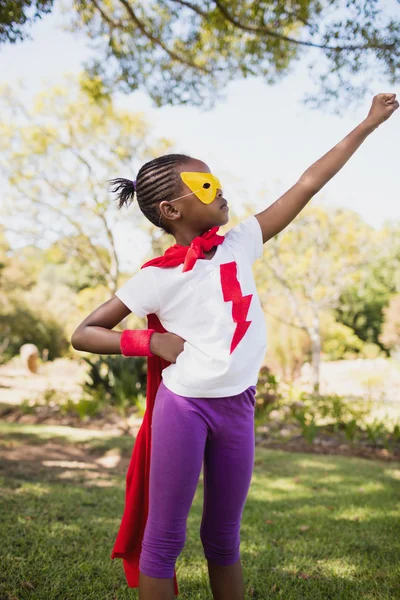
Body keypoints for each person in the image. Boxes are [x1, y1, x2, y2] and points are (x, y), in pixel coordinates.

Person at [71, 93, 398, 600]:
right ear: (172, 208)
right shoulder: (155, 278)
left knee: (223, 538)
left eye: (217, 181)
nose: (220, 191)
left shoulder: (242, 241)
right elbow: (84, 333)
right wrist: (150, 339)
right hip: (183, 409)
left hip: (238, 408)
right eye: (205, 185)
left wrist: (368, 124)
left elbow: (307, 183)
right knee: (164, 538)